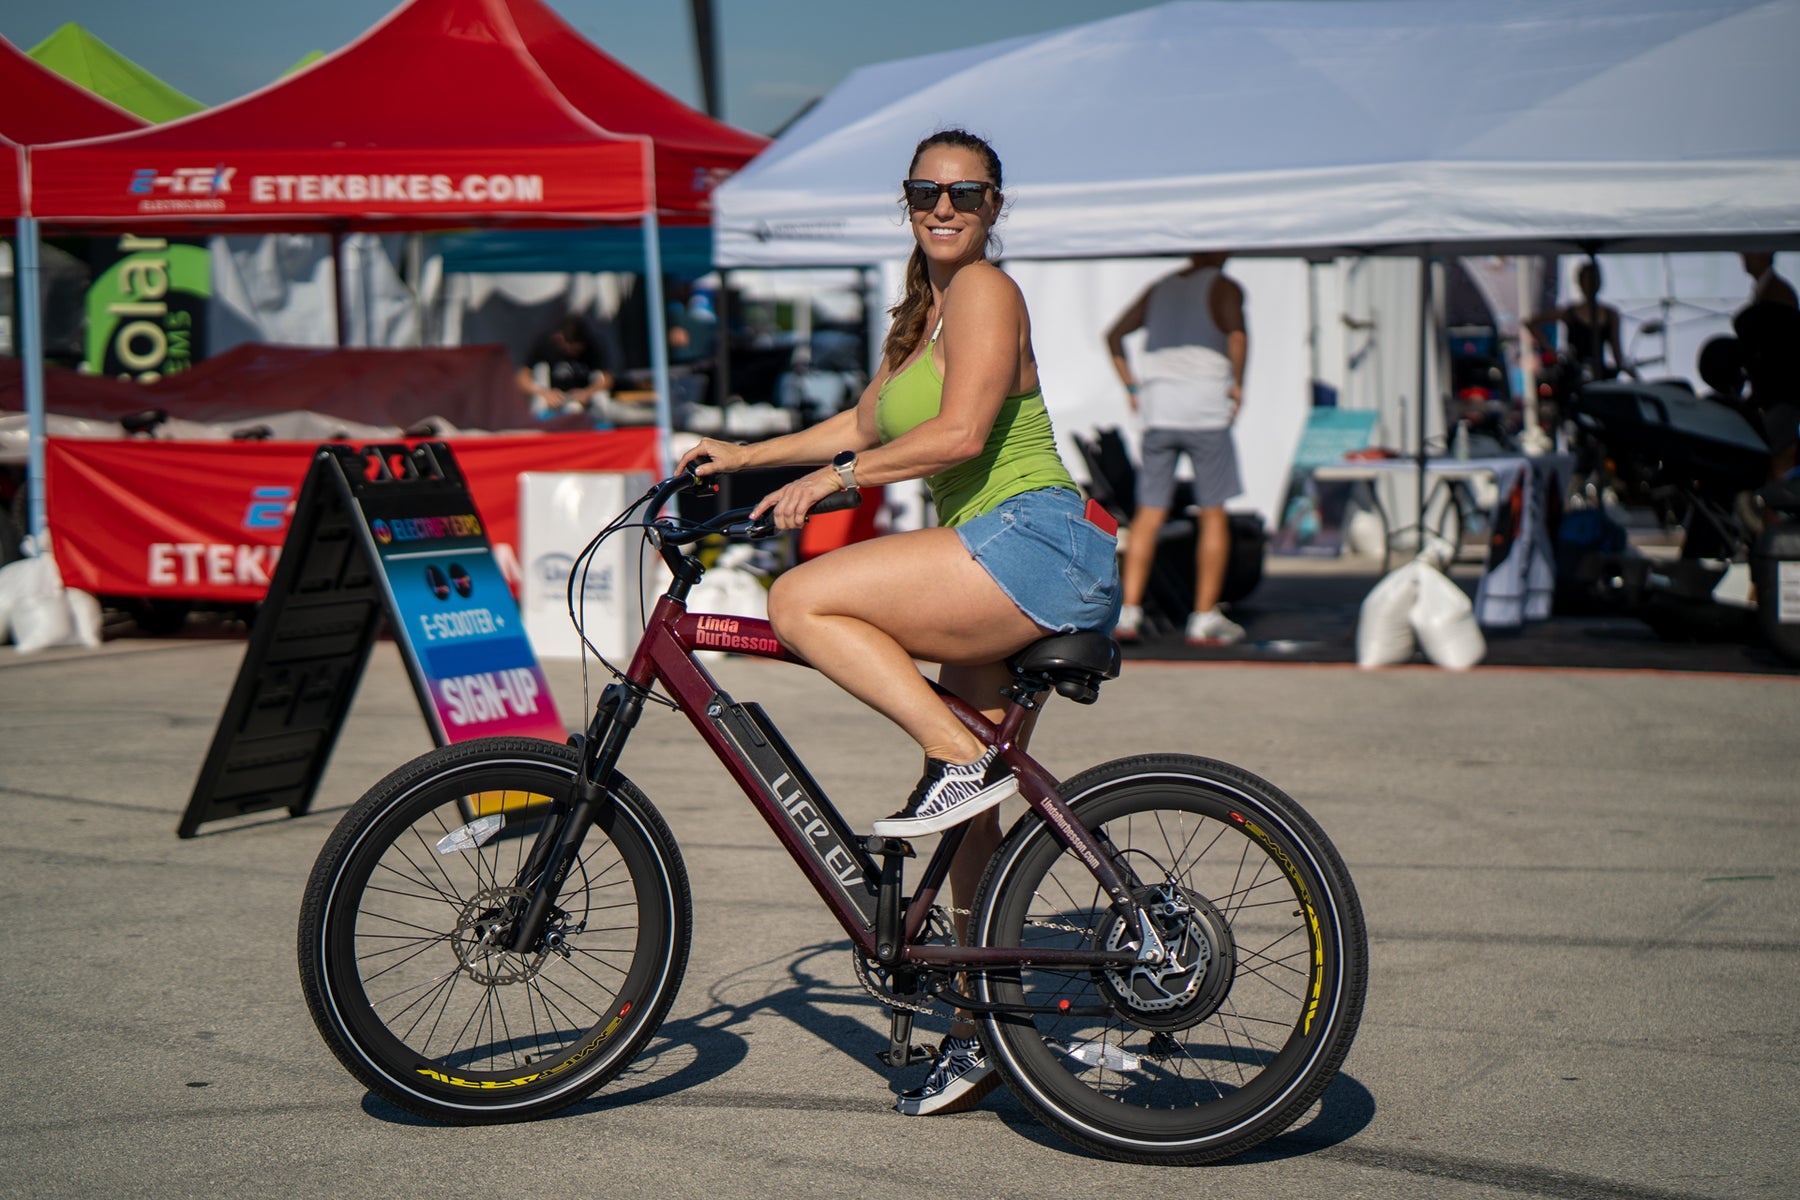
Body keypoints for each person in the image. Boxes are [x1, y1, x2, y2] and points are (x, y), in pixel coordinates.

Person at [676, 128, 1120, 1117]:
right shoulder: (924, 315)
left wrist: (832, 486)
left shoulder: (986, 294)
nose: (946, 206)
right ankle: (981, 1026)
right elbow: (858, 426)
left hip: (1035, 540)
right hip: (1008, 554)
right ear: (908, 199)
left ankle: (958, 754)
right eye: (928, 190)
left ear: (995, 206)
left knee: (800, 600)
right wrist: (739, 458)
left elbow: (960, 432)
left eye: (967, 192)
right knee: (973, 827)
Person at [1104, 251, 1248, 646]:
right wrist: (1238, 382)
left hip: (1159, 409)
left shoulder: (1161, 287)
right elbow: (1236, 335)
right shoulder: (1225, 287)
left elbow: (1114, 335)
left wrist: (1132, 386)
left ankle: (1129, 612)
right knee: (1213, 512)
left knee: (1148, 514)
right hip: (1205, 409)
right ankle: (1204, 615)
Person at [1524, 259, 1635, 384]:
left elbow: (1617, 353)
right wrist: (1551, 351)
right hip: (1574, 376)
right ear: (1581, 283)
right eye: (1589, 280)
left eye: (1595, 279)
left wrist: (1627, 370)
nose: (1592, 284)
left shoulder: (1610, 315)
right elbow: (1531, 322)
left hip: (1599, 374)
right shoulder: (1570, 313)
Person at [518, 314, 615, 417]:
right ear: (559, 338)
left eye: (576, 349)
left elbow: (608, 379)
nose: (572, 353)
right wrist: (544, 393)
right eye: (569, 348)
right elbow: (522, 378)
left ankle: (599, 427)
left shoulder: (593, 346)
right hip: (552, 395)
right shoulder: (545, 344)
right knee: (540, 373)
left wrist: (587, 393)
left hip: (582, 398)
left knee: (598, 396)